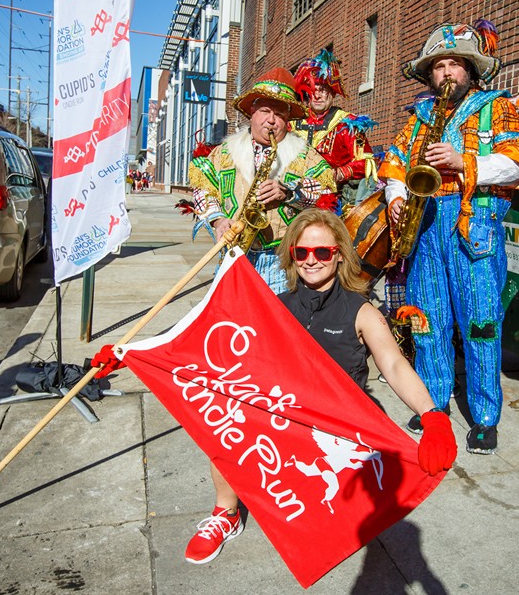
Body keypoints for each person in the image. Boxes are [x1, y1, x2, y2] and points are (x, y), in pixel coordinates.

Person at [184, 208, 458, 565]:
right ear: (292, 255)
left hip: (335, 432)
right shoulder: (274, 306)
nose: (311, 261)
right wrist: (137, 355)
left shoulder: (362, 313)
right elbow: (224, 353)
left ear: (339, 254)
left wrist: (433, 416)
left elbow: (393, 364)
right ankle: (227, 514)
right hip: (285, 418)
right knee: (225, 418)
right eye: (302, 252)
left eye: (322, 252)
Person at [378, 20, 519, 455]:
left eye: (455, 64)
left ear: (470, 70)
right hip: (424, 224)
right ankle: (433, 404)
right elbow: (393, 164)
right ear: (430, 74)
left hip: (474, 228)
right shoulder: (419, 116)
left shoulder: (497, 107)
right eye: (439, 66)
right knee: (428, 322)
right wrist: (395, 196)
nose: (447, 72)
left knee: (481, 325)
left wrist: (462, 161)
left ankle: (486, 417)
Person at [189, 67, 335, 293]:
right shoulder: (224, 152)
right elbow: (201, 187)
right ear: (252, 112)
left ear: (287, 120)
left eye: (279, 114)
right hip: (234, 255)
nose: (271, 121)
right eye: (265, 111)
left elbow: (326, 194)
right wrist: (218, 220)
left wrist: (289, 193)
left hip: (283, 262)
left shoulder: (306, 155)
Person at [290, 49, 377, 214]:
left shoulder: (347, 124)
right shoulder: (292, 124)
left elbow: (368, 163)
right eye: (313, 90)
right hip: (293, 198)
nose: (317, 95)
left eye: (323, 89)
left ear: (332, 92)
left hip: (332, 202)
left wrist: (339, 173)